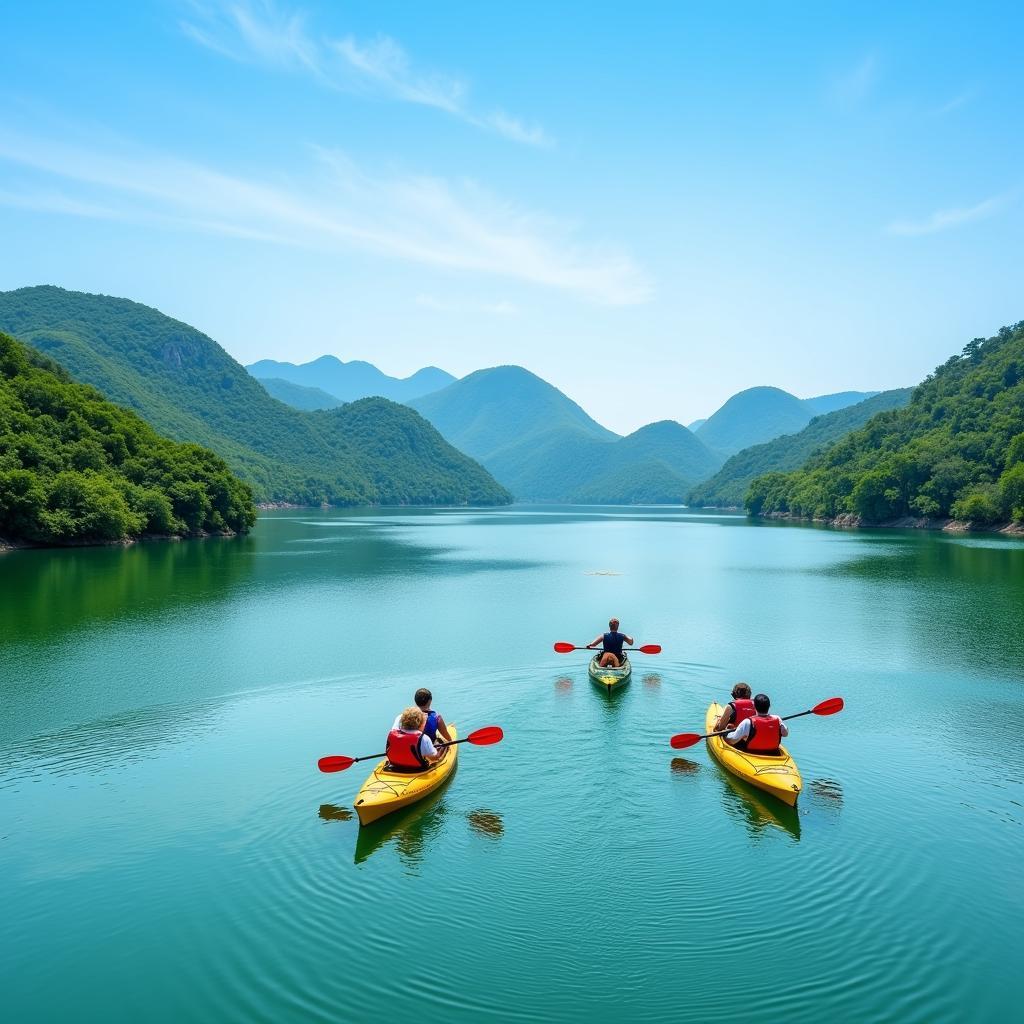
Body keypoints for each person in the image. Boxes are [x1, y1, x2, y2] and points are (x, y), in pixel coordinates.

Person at [385, 707, 443, 772]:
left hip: (394, 767)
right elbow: (434, 758)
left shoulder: (391, 733)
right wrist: (442, 748)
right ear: (420, 723)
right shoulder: (423, 738)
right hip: (416, 770)